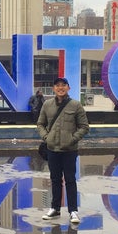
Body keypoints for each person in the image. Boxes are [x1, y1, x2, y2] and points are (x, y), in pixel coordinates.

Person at [36, 77, 89, 224]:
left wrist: (72, 139)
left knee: (70, 180)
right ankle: (55, 209)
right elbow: (40, 124)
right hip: (52, 149)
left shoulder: (76, 105)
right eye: (57, 86)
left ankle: (73, 211)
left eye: (63, 85)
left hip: (69, 150)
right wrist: (46, 137)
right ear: (53, 88)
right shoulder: (47, 105)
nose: (60, 88)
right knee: (55, 180)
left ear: (68, 88)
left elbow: (84, 127)